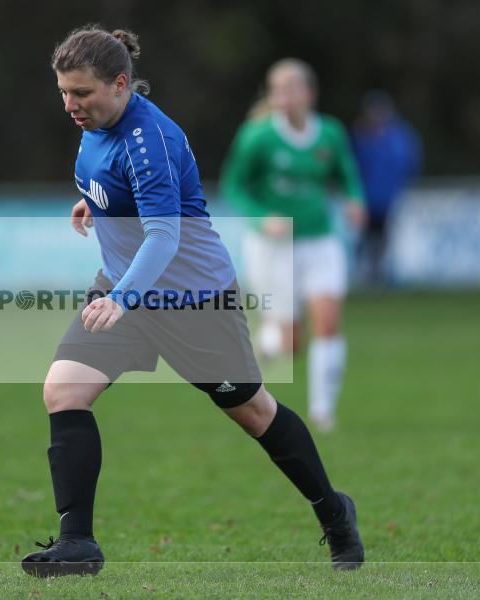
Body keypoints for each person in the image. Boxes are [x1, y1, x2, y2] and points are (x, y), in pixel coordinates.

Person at [20, 26, 363, 578]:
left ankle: (334, 512)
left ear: (120, 84)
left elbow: (163, 234)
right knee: (64, 391)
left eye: (81, 93)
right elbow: (116, 184)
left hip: (192, 300)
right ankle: (77, 542)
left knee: (254, 412)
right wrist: (94, 204)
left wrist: (123, 298)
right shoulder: (95, 124)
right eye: (63, 92)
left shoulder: (149, 140)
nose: (70, 105)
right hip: (125, 288)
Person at [220, 59, 366, 433]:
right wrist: (262, 218)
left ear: (309, 93)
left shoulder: (329, 133)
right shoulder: (257, 136)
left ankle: (322, 411)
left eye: (291, 89)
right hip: (273, 248)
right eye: (277, 90)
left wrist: (354, 199)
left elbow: (346, 172)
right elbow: (233, 186)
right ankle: (262, 350)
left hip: (320, 241)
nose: (284, 97)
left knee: (328, 321)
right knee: (290, 343)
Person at [351, 90, 422, 285]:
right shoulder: (362, 136)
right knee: (365, 237)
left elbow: (410, 164)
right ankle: (365, 273)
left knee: (384, 237)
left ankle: (379, 273)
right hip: (367, 198)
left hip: (390, 198)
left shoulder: (399, 136)